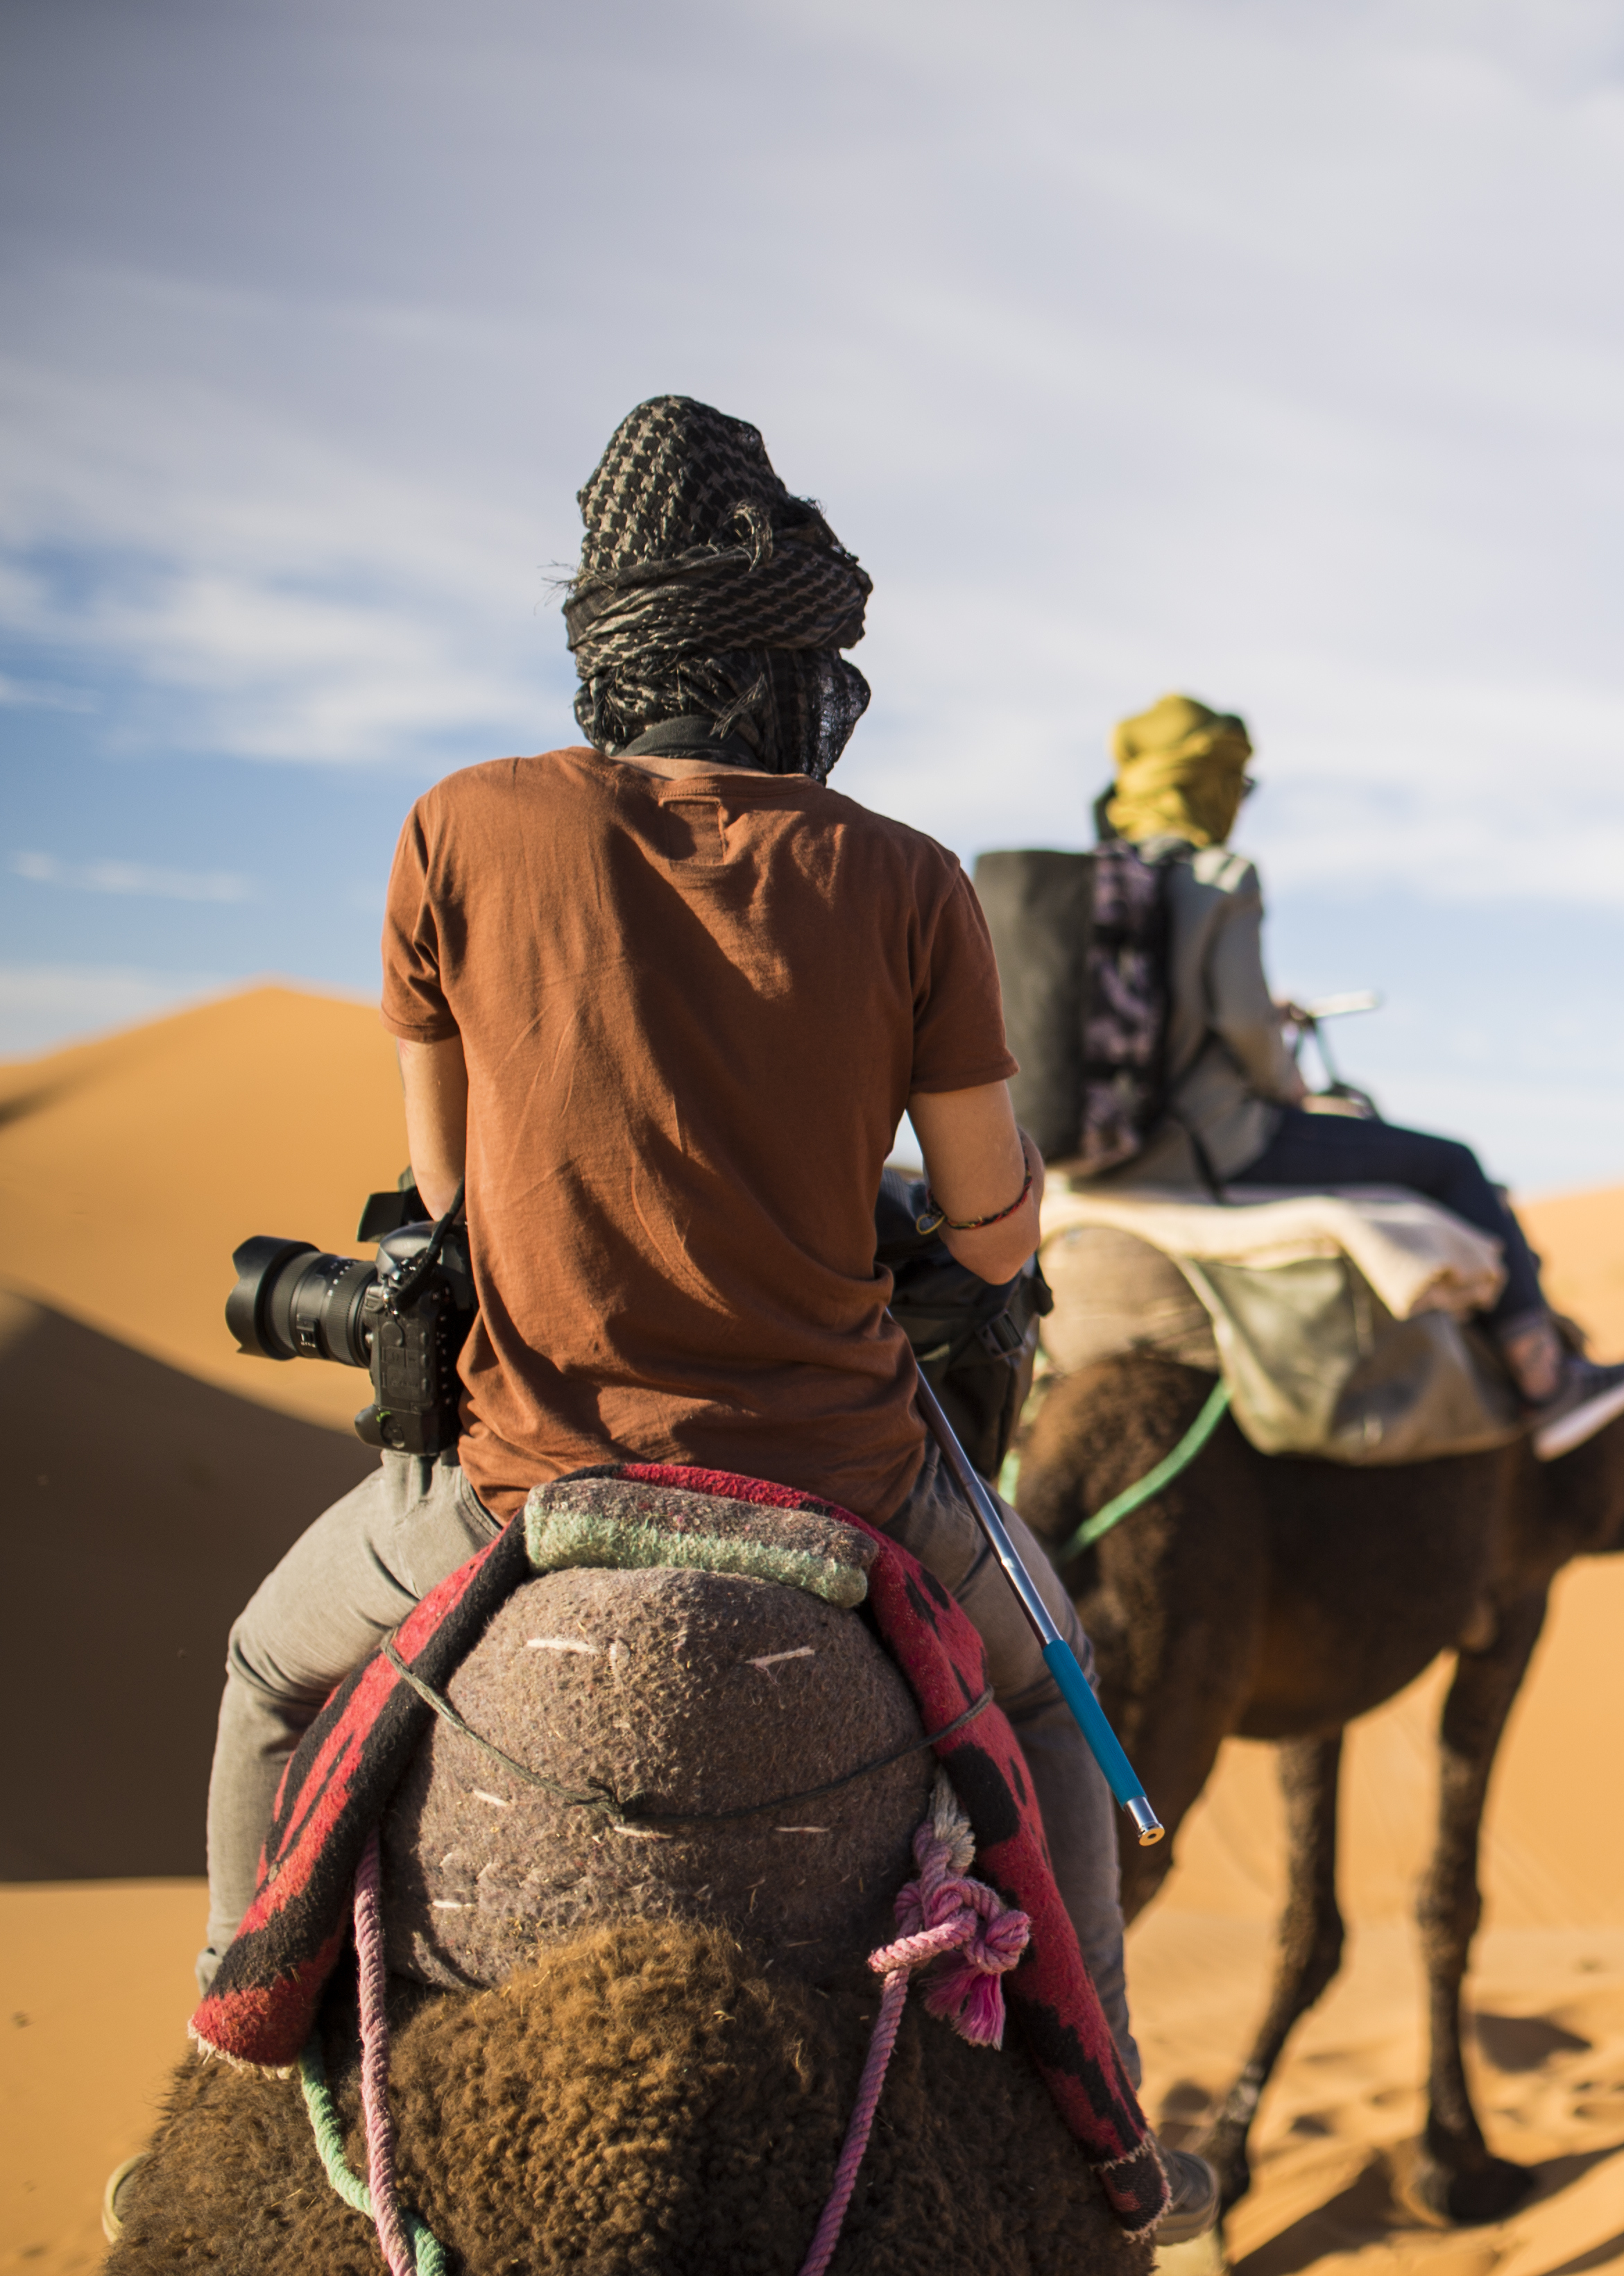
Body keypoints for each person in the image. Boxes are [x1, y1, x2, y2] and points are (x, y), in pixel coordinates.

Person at [199, 396, 1139, 2075]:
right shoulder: (913, 878)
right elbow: (993, 1245)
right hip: (845, 1472)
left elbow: (443, 1207)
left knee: (269, 1668)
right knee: (1061, 1711)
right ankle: (1115, 2118)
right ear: (788, 661)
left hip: (519, 1468)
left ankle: (233, 2031)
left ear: (610, 640)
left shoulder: (458, 826)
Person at [1076, 692, 1624, 1458]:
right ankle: (1544, 1380)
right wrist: (1282, 1074)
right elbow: (1248, 1032)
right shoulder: (1220, 876)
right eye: (1238, 787)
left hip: (1105, 1157)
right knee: (1453, 1165)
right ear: (1209, 782)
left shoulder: (1094, 883)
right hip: (1215, 1150)